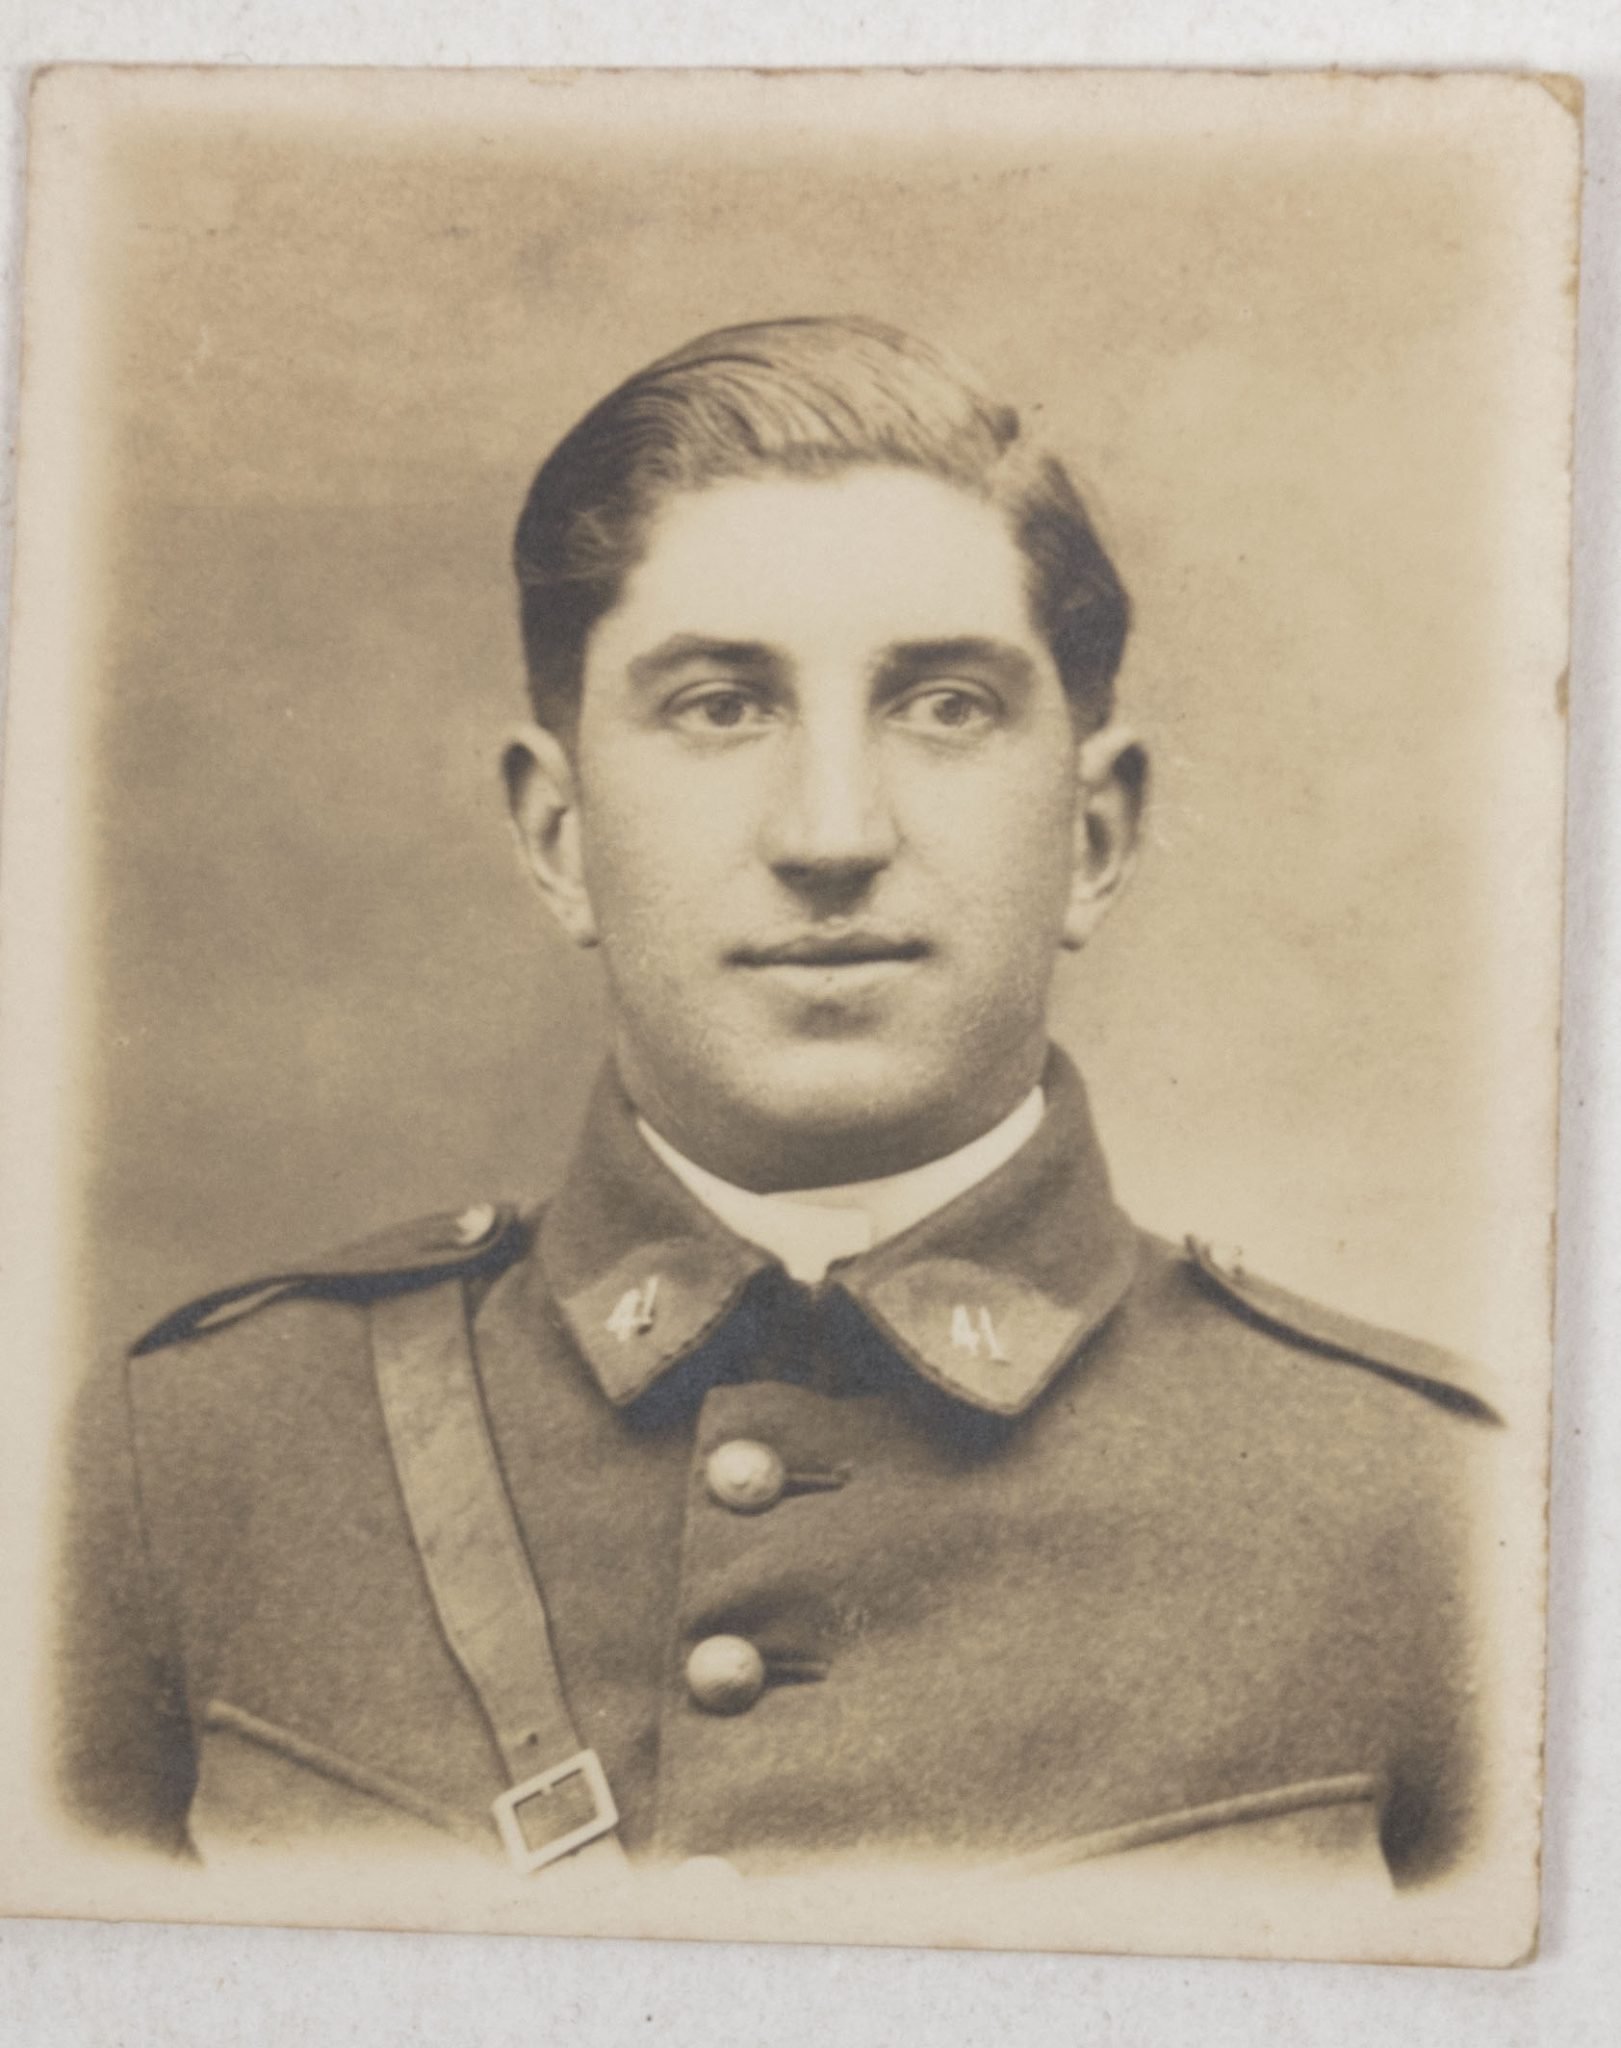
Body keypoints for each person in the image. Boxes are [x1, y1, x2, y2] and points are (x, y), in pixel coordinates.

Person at [57, 317, 1499, 1897]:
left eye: (943, 705)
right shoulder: (194, 1464)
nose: (830, 832)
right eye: (720, 706)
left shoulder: (1433, 1522)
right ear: (557, 836)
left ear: (1092, 836)